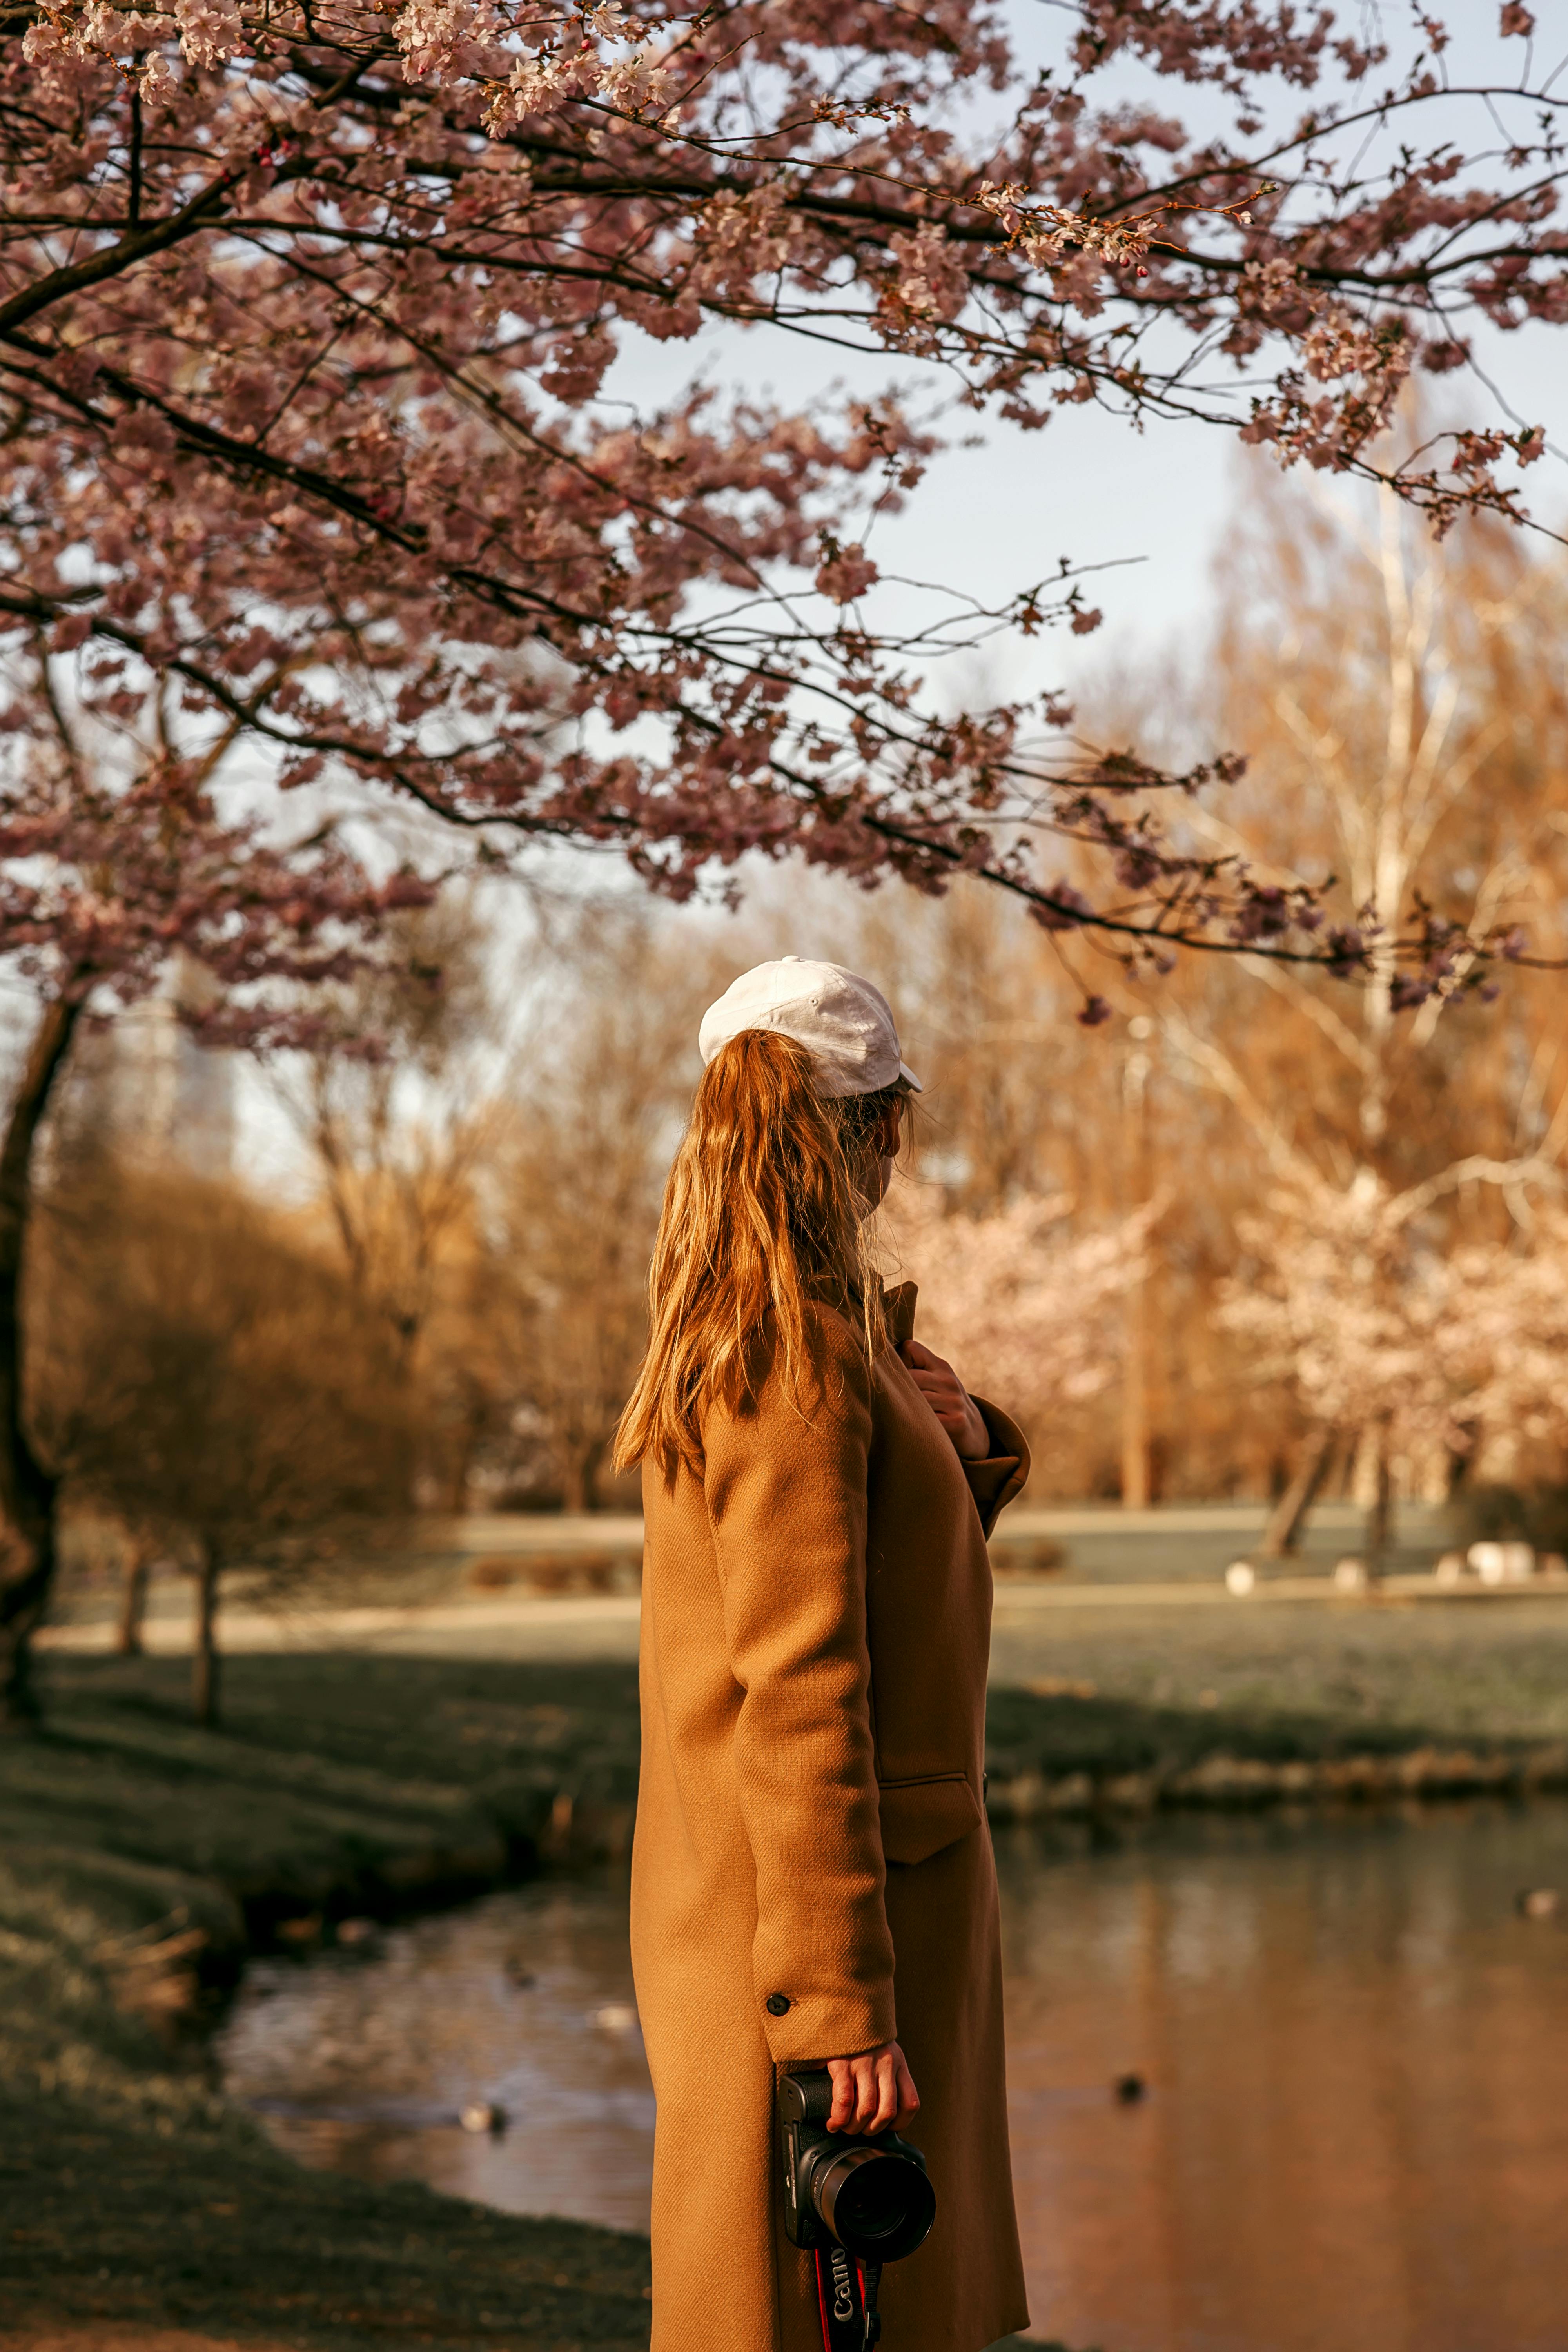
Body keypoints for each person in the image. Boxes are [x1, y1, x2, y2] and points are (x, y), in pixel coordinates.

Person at [614, 956, 1031, 2352]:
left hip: (786, 1918)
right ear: (875, 1134)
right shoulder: (790, 1358)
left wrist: (963, 1452)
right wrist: (838, 2005)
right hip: (820, 1942)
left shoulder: (792, 1337)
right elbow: (798, 1697)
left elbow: (871, 1600)